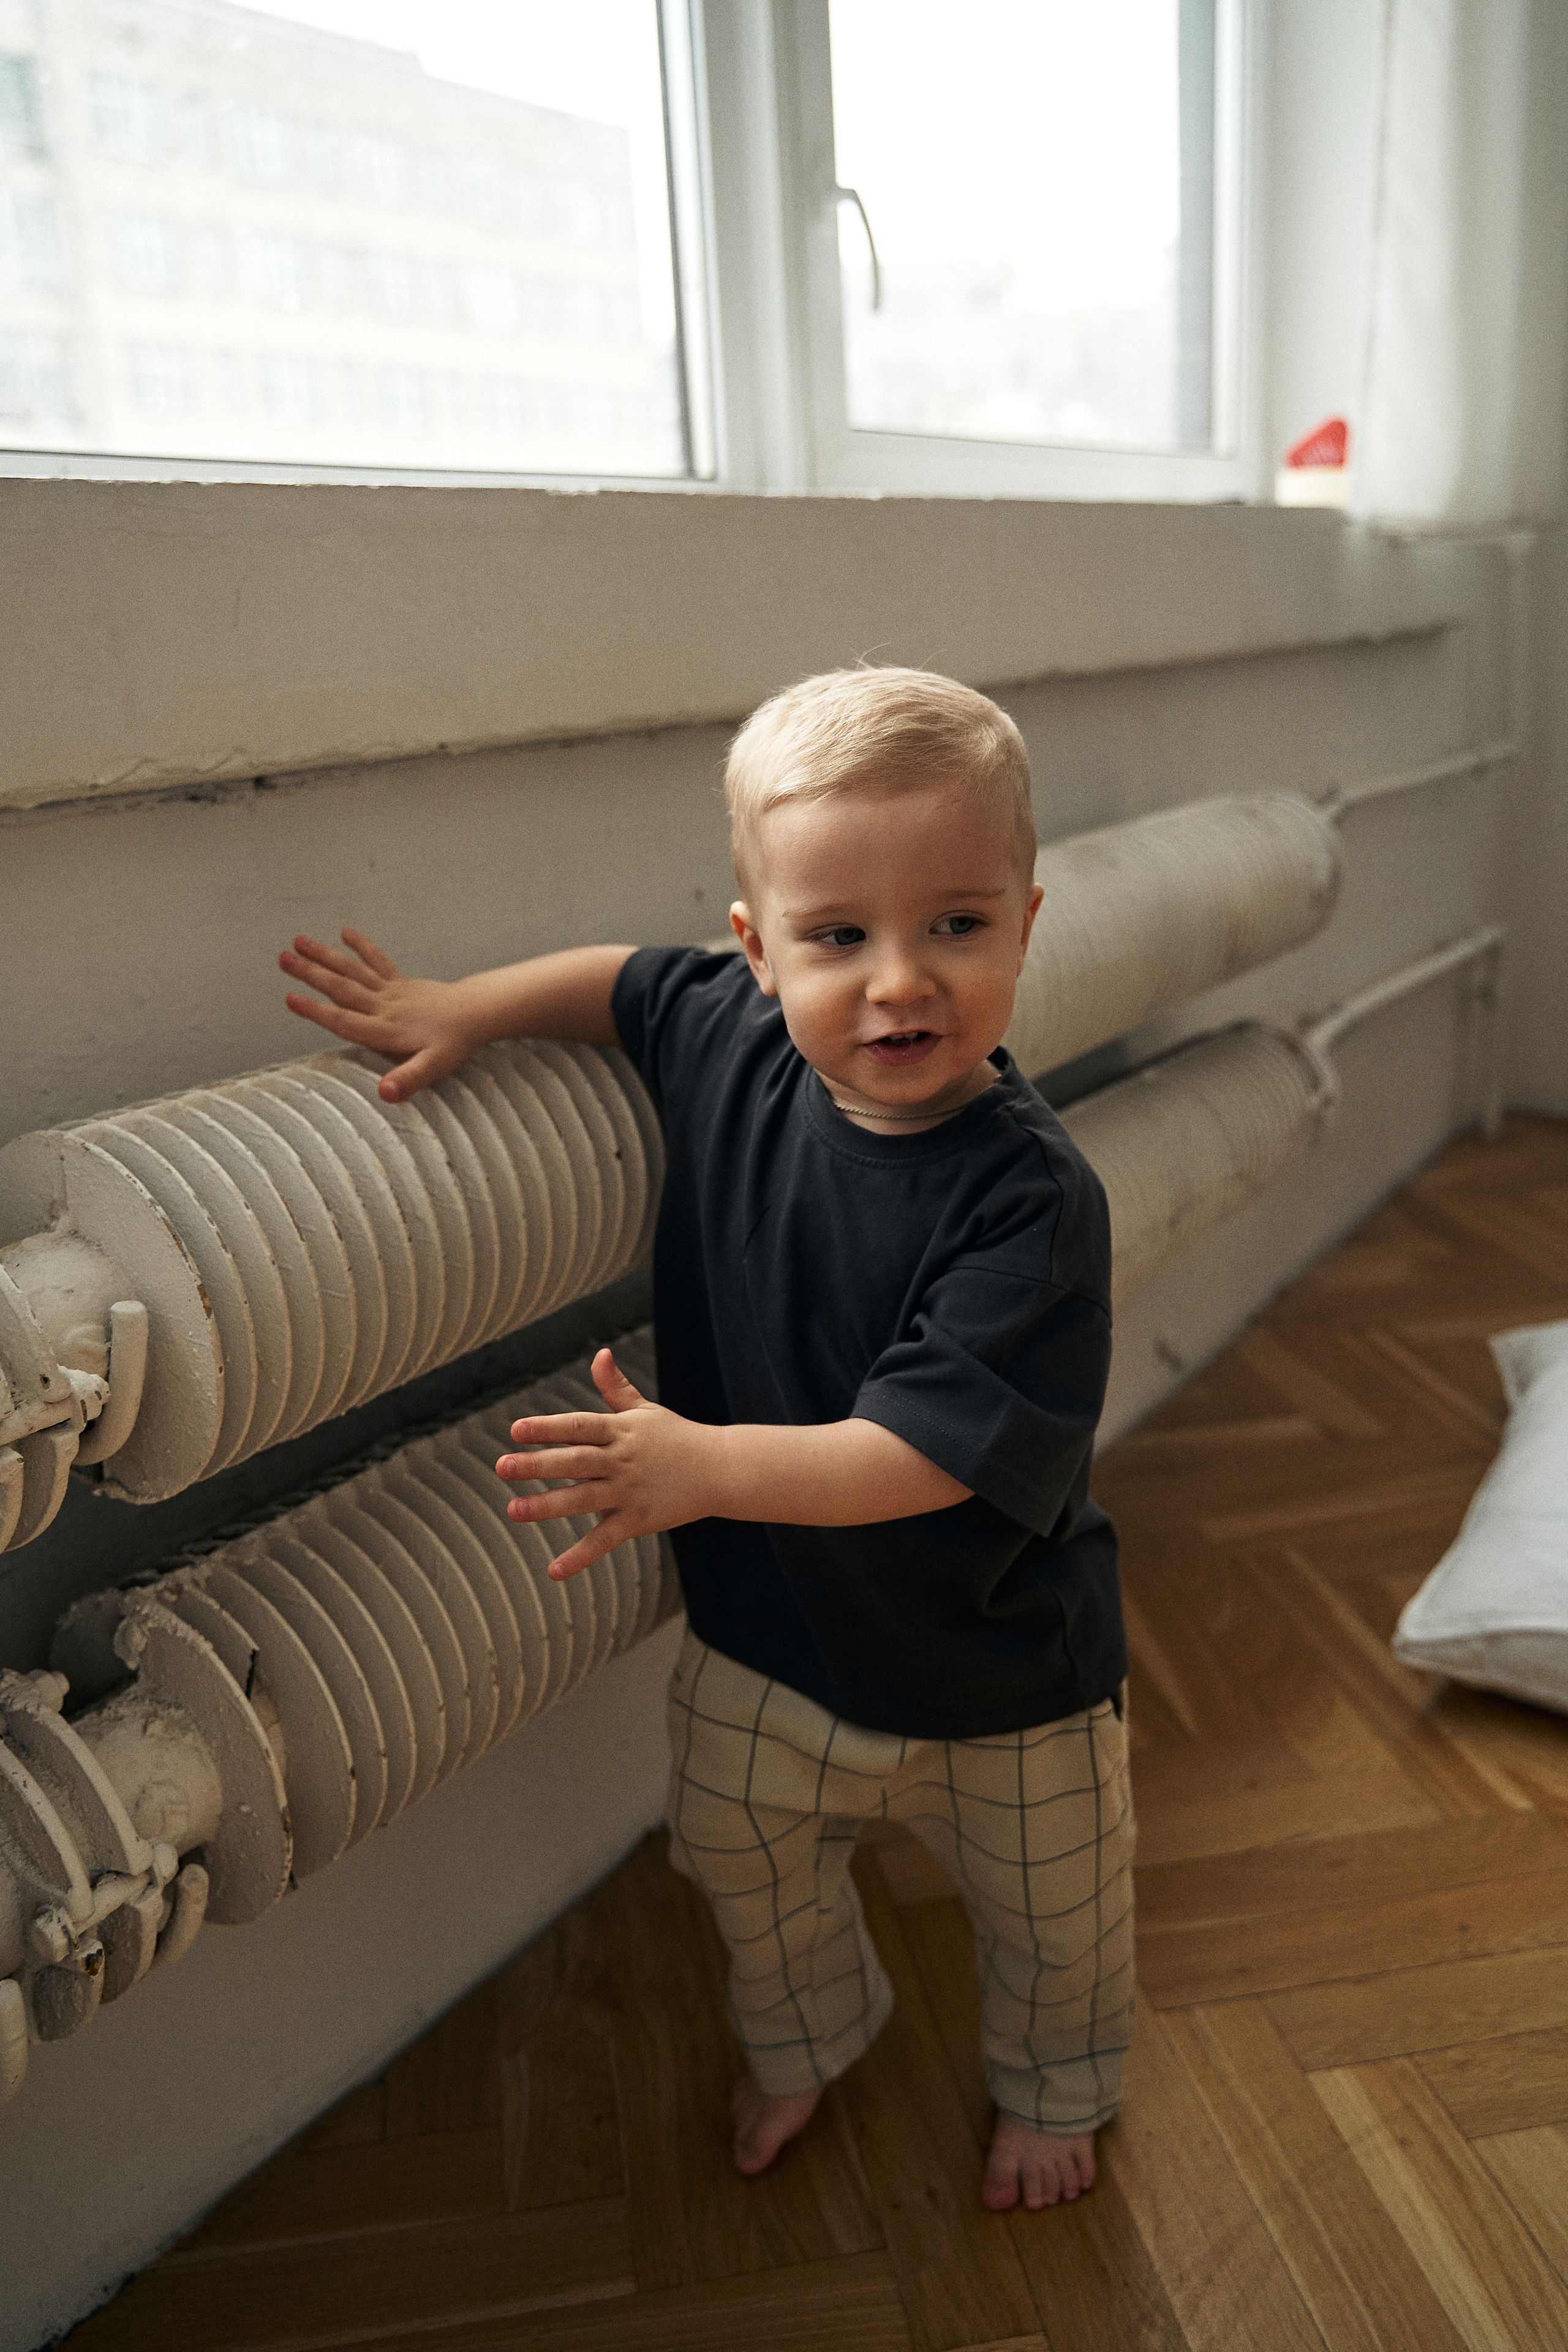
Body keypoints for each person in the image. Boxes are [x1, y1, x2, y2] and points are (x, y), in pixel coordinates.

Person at [279, 665, 1133, 2214]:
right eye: (837, 937)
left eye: (954, 924)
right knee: (737, 1863)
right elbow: (624, 983)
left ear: (1023, 923)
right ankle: (810, 2035)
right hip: (768, 1636)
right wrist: (466, 1008)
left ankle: (1055, 2085)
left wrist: (697, 1468)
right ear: (757, 950)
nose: (898, 983)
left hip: (1000, 1668)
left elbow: (918, 1454)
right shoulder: (724, 1039)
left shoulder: (1029, 1201)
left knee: (1055, 1912)